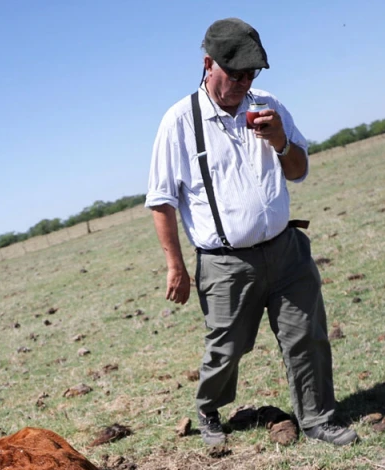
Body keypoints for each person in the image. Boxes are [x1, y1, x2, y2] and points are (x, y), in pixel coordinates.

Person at [146, 18, 357, 448]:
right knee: (227, 349)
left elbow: (299, 171)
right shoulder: (179, 122)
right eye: (235, 74)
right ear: (209, 64)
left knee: (307, 336)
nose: (244, 83)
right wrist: (175, 266)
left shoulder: (268, 105)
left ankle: (318, 419)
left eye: (251, 74)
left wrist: (280, 141)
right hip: (225, 264)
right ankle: (209, 409)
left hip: (286, 251)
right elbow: (162, 200)